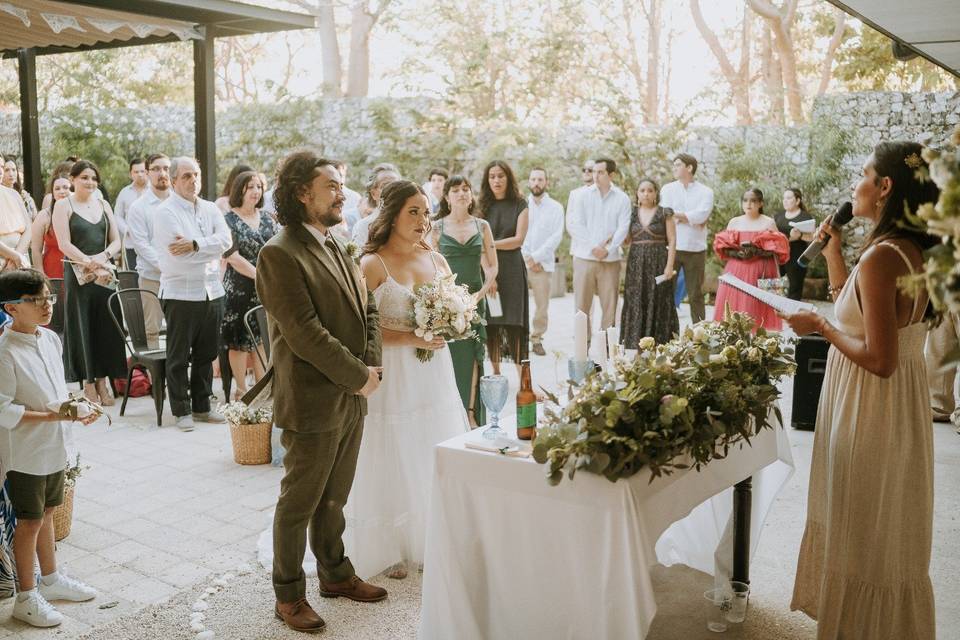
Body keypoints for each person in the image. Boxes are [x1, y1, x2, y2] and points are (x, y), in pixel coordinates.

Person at [783, 141, 939, 639]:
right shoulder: (909, 251)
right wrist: (834, 255)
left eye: (864, 174)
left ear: (885, 187)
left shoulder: (881, 259)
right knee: (881, 535)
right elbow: (868, 314)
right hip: (898, 413)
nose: (856, 184)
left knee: (860, 529)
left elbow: (879, 358)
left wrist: (819, 328)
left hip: (869, 409)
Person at [254, 151, 385, 634]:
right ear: (302, 194)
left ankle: (335, 574)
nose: (342, 194)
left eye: (341, 185)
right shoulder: (278, 253)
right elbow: (304, 331)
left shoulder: (339, 242)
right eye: (331, 186)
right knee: (299, 502)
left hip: (353, 391)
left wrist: (369, 366)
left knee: (335, 498)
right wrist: (357, 375)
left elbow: (367, 306)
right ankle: (288, 595)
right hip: (312, 396)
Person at [352, 179, 469, 579]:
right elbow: (358, 329)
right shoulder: (372, 265)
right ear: (392, 216)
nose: (422, 220)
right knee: (393, 448)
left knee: (430, 443)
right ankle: (392, 545)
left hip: (433, 370)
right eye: (413, 212)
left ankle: (427, 536)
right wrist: (409, 336)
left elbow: (458, 309)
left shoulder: (436, 259)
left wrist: (454, 321)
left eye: (425, 212)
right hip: (394, 373)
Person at [0, 269, 98, 628]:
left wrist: (76, 407)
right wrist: (55, 417)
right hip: (23, 452)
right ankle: (26, 597)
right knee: (28, 521)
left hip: (55, 445)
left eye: (49, 297)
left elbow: (56, 391)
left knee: (48, 513)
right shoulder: (5, 351)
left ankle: (52, 579)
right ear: (11, 307)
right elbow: (2, 409)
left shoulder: (50, 339)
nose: (47, 305)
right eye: (36, 299)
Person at [153, 157, 231, 432]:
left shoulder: (211, 209)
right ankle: (181, 410)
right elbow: (178, 260)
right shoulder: (166, 212)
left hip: (212, 292)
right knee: (178, 355)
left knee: (206, 353)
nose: (192, 181)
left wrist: (196, 244)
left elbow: (227, 241)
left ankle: (202, 407)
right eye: (186, 176)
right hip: (180, 292)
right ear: (173, 180)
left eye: (196, 174)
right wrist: (210, 249)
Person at [51, 161, 127, 405]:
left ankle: (104, 382)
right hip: (79, 275)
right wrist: (87, 262)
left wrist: (102, 258)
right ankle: (89, 384)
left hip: (104, 273)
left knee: (105, 326)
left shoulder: (104, 203)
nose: (90, 182)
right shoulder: (63, 205)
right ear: (73, 179)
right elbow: (64, 243)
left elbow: (116, 241)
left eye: (94, 178)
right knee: (83, 327)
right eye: (85, 177)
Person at [432, 175, 498, 427]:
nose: (461, 193)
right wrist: (447, 295)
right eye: (456, 190)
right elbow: (431, 265)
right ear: (447, 197)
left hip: (474, 301)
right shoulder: (436, 228)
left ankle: (470, 413)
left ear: (471, 196)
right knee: (448, 354)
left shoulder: (482, 226)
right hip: (447, 302)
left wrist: (479, 294)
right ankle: (448, 411)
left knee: (473, 354)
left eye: (466, 189)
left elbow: (492, 268)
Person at [221, 171, 277, 400]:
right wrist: (259, 275)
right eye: (250, 187)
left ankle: (261, 386)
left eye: (259, 187)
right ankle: (241, 389)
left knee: (262, 339)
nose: (256, 191)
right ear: (239, 190)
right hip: (238, 288)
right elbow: (232, 256)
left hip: (265, 287)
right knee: (239, 342)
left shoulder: (267, 219)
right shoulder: (228, 220)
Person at [566, 157, 631, 333]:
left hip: (610, 261)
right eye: (594, 171)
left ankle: (608, 351)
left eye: (600, 172)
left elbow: (623, 228)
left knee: (610, 307)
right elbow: (575, 224)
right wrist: (593, 247)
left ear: (611, 175)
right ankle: (582, 351)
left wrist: (608, 249)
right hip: (584, 258)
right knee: (581, 307)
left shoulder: (622, 199)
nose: (595, 175)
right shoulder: (582, 195)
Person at [712, 188, 789, 330]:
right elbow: (724, 247)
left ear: (761, 203)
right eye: (745, 200)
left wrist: (757, 251)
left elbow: (777, 249)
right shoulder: (734, 222)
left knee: (755, 307)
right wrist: (736, 253)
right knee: (735, 306)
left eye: (753, 201)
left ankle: (756, 345)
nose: (749, 204)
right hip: (737, 269)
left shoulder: (768, 223)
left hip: (762, 269)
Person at [479, 160, 529, 374]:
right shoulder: (481, 206)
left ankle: (523, 381)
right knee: (492, 322)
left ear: (508, 178)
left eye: (501, 176)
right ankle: (496, 374)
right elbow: (477, 244)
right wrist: (490, 276)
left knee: (515, 323)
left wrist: (490, 243)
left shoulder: (520, 203)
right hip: (488, 269)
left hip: (513, 271)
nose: (496, 180)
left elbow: (518, 240)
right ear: (487, 180)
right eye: (492, 176)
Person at [620, 178, 678, 348]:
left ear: (655, 193)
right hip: (636, 263)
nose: (646, 193)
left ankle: (660, 344)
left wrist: (669, 266)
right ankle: (634, 345)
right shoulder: (630, 213)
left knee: (659, 300)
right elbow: (626, 240)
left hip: (659, 261)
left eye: (650, 190)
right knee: (636, 299)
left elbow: (673, 241)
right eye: (642, 190)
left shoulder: (664, 213)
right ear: (637, 194)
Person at [659, 153, 714, 323]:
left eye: (677, 165)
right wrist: (691, 219)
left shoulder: (706, 192)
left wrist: (677, 216)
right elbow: (665, 214)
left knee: (696, 294)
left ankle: (700, 335)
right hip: (671, 248)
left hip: (696, 249)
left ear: (689, 168)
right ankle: (664, 331)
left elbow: (702, 215)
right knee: (666, 291)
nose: (674, 168)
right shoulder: (667, 189)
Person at [126, 153, 171, 349]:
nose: (162, 173)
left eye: (166, 168)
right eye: (156, 169)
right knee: (152, 330)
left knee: (179, 329)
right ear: (148, 172)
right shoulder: (139, 207)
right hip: (152, 278)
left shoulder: (180, 202)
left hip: (178, 279)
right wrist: (168, 266)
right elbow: (142, 246)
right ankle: (156, 379)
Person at [521, 168, 564, 356]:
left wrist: (536, 257)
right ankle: (519, 338)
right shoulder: (521, 206)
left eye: (540, 179)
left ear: (546, 182)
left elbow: (556, 236)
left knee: (541, 305)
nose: (536, 182)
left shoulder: (556, 207)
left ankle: (537, 338)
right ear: (529, 182)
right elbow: (518, 234)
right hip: (520, 262)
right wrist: (527, 257)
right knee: (518, 303)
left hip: (543, 264)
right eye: (533, 179)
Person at [774, 188, 815, 301]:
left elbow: (812, 237)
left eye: (789, 198)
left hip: (797, 255)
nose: (785, 201)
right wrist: (790, 238)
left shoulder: (805, 216)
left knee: (795, 288)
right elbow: (773, 236)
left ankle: (793, 315)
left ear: (797, 201)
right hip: (779, 255)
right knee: (776, 285)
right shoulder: (778, 216)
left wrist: (800, 236)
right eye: (784, 198)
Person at [29, 176, 71, 279]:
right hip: (52, 271)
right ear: (52, 193)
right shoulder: (44, 215)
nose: (62, 191)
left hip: (80, 271)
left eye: (65, 187)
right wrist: (41, 273)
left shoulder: (81, 213)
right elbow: (36, 249)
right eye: (57, 188)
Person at [112, 158, 149, 271]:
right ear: (130, 174)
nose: (140, 175)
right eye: (136, 172)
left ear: (147, 172)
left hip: (151, 243)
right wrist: (127, 230)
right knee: (133, 277)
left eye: (142, 171)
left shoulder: (153, 191)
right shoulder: (124, 192)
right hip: (130, 243)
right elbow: (117, 215)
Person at [352, 165, 401, 247]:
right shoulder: (363, 227)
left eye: (396, 185)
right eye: (385, 186)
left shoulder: (411, 221)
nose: (393, 190)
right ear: (373, 193)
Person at [0, 183, 31, 272]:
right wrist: (13, 256)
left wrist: (17, 256)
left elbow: (28, 228)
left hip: (20, 257)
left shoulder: (14, 194)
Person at [2, 156, 37, 222]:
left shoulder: (25, 195)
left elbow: (35, 220)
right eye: (6, 170)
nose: (11, 174)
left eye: (14, 170)